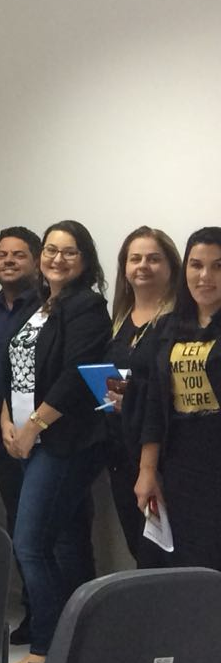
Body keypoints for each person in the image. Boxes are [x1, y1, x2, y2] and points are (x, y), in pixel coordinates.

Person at [0, 220, 109, 663]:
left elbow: (75, 376)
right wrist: (7, 418)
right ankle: (80, 638)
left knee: (30, 545)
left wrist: (32, 428)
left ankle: (46, 647)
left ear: (84, 260)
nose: (57, 258)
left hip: (63, 442)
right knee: (63, 542)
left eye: (69, 251)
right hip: (31, 440)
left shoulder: (88, 307)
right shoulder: (40, 305)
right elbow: (16, 370)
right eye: (50, 250)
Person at [136, 227, 221, 569]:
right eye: (196, 265)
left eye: (218, 266)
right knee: (185, 558)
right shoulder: (169, 327)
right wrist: (147, 470)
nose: (205, 276)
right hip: (180, 458)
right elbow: (155, 404)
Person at [0, 226, 43, 645]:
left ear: (36, 261)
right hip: (1, 432)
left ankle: (49, 615)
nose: (8, 261)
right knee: (18, 519)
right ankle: (31, 611)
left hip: (43, 434)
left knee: (43, 530)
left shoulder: (46, 307)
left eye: (19, 255)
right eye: (2, 254)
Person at [104, 227, 179, 561]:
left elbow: (165, 391)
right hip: (120, 454)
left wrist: (132, 399)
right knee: (138, 547)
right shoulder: (119, 319)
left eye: (153, 259)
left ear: (170, 266)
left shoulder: (178, 322)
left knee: (159, 552)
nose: (143, 266)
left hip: (161, 457)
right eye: (135, 259)